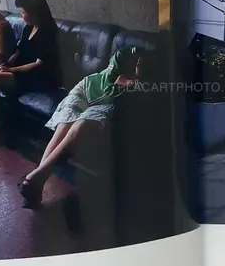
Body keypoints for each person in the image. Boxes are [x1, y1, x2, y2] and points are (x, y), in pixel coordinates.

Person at [17, 46, 145, 208]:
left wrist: (137, 76)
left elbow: (137, 88)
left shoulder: (151, 77)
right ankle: (37, 180)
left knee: (80, 126)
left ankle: (35, 180)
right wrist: (129, 77)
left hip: (106, 103)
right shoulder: (126, 52)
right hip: (88, 88)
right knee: (63, 128)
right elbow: (114, 77)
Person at [0, 0, 60, 150]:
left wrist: (11, 70)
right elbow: (18, 52)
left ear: (34, 11)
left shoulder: (47, 31)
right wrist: (5, 65)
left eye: (23, 12)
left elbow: (38, 65)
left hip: (36, 77)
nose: (22, 16)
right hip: (19, 72)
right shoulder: (28, 28)